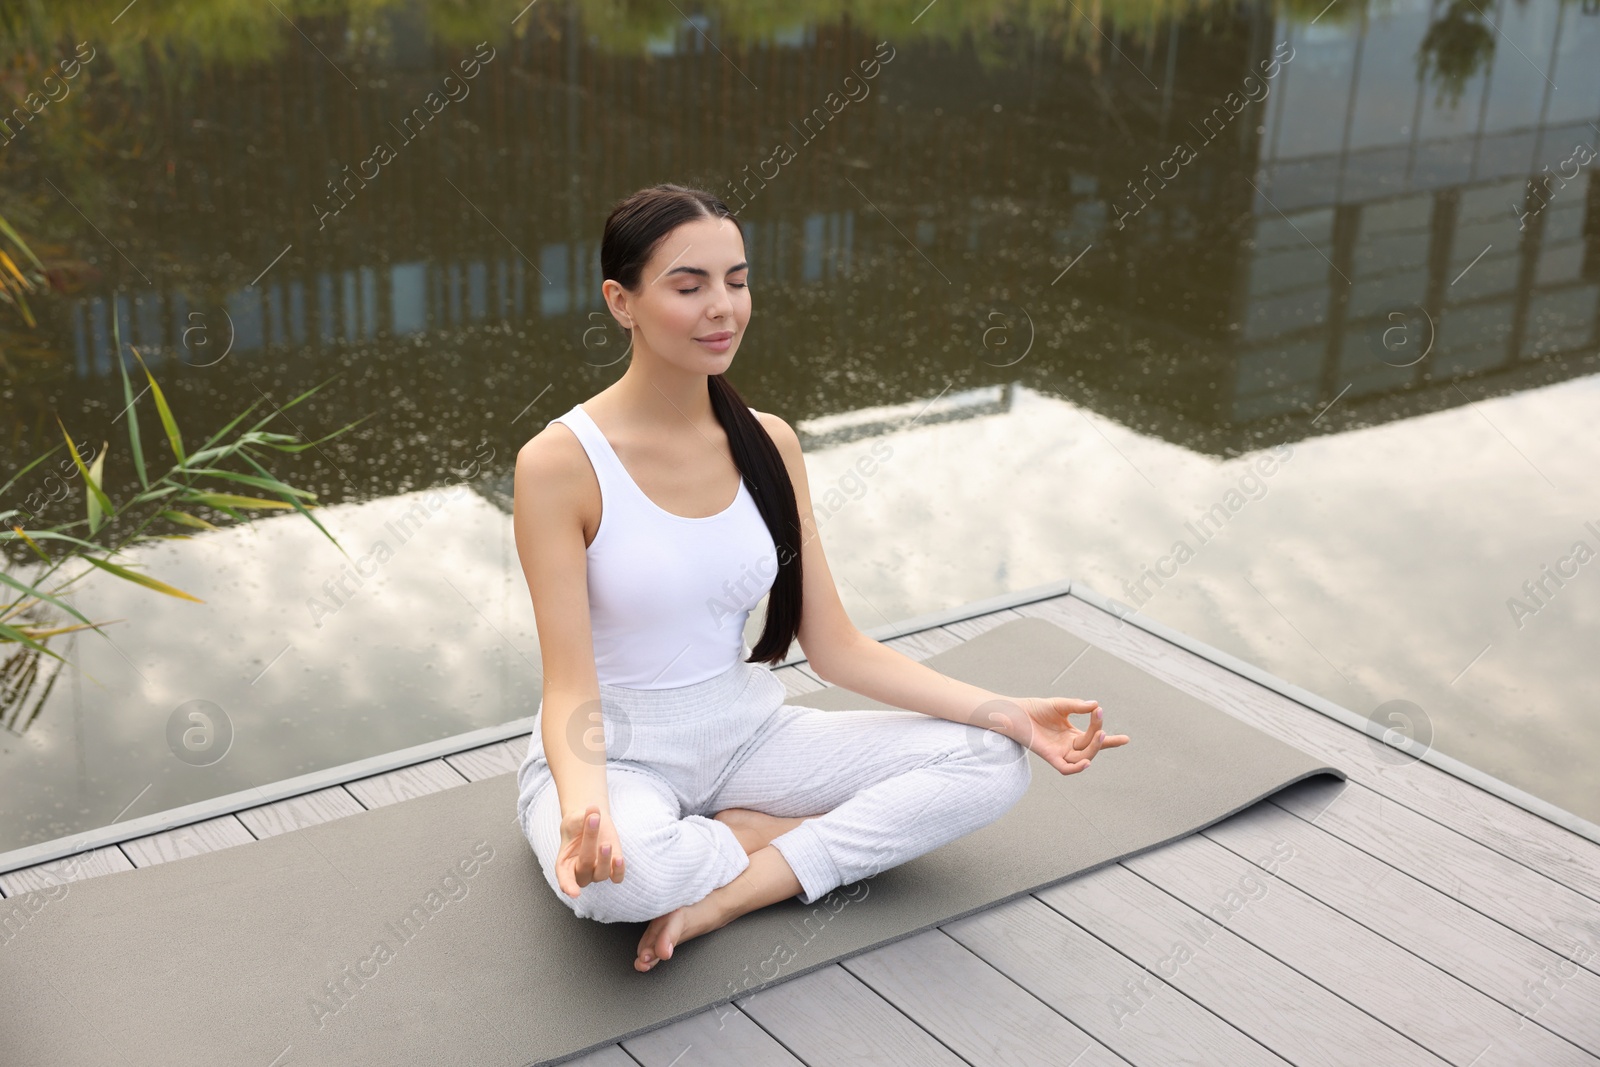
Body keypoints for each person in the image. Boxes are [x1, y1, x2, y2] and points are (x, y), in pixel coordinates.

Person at [512, 183, 1129, 973]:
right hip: (617, 749)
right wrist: (586, 806)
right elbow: (569, 685)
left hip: (747, 735)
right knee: (612, 887)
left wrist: (1006, 713)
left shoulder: (769, 443)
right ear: (620, 300)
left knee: (989, 760)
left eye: (736, 280)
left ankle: (746, 878)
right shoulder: (559, 464)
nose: (722, 308)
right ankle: (745, 834)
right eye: (688, 285)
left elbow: (835, 647)